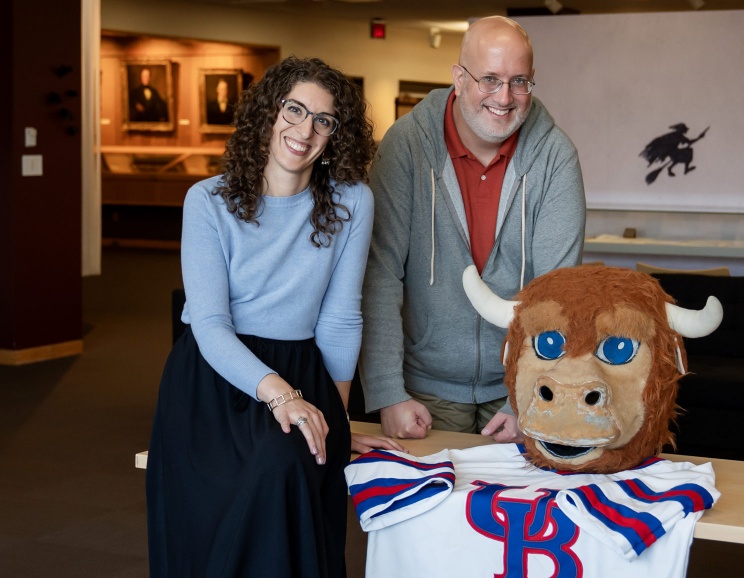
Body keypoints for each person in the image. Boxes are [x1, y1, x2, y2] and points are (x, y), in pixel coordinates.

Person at [146, 56, 403, 578]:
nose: (304, 131)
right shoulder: (207, 201)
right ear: (268, 113)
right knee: (272, 472)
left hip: (304, 372)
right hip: (214, 381)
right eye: (294, 109)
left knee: (300, 466)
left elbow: (340, 321)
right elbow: (210, 326)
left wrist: (332, 418)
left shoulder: (353, 202)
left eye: (323, 120)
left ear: (336, 135)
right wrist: (282, 397)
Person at [360, 16, 586, 442]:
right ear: (459, 79)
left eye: (519, 81)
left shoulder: (556, 157)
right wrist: (388, 392)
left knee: (518, 509)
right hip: (424, 390)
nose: (504, 97)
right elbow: (380, 275)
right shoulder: (406, 146)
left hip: (521, 386)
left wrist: (528, 397)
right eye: (489, 79)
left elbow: (559, 294)